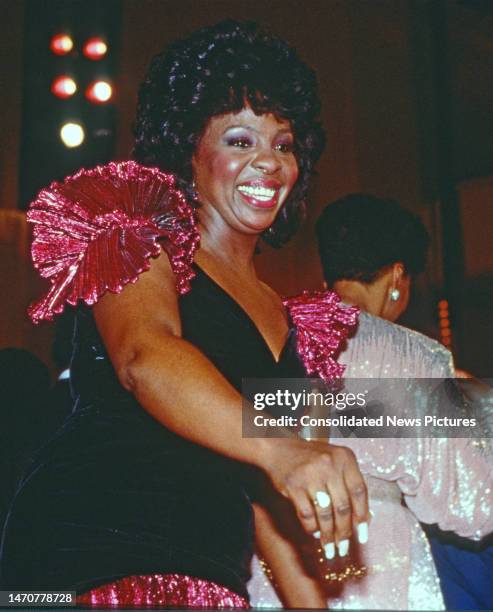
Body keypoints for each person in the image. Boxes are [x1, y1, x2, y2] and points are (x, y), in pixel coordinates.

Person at [0, 22, 369, 608]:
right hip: (85, 561)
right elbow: (144, 356)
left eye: (284, 143)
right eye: (241, 141)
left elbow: (274, 503)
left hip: (207, 576)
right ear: (188, 151)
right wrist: (281, 450)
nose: (269, 163)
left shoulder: (301, 327)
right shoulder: (136, 236)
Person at [248, 194, 493, 610]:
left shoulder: (273, 334)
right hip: (377, 562)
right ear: (399, 276)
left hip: (280, 559)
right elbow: (473, 501)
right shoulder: (410, 355)